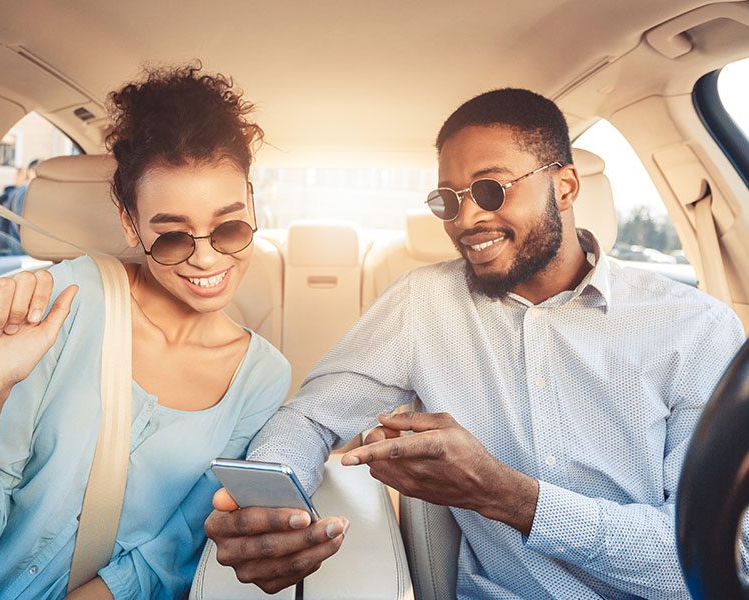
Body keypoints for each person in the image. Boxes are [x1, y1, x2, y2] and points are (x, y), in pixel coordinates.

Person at [204, 88, 745, 598]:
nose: (466, 219)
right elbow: (310, 417)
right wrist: (272, 506)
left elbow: (720, 560)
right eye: (448, 200)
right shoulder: (425, 303)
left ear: (566, 187)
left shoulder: (696, 329)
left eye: (490, 189)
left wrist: (503, 493)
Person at [0, 65, 290, 599]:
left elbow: (168, 556)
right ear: (130, 223)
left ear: (251, 201)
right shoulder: (59, 299)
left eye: (230, 227)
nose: (205, 257)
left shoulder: (264, 375)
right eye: (172, 236)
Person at [0, 158, 40, 242]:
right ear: (31, 172)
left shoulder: (23, 192)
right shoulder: (25, 193)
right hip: (22, 248)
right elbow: (24, 226)